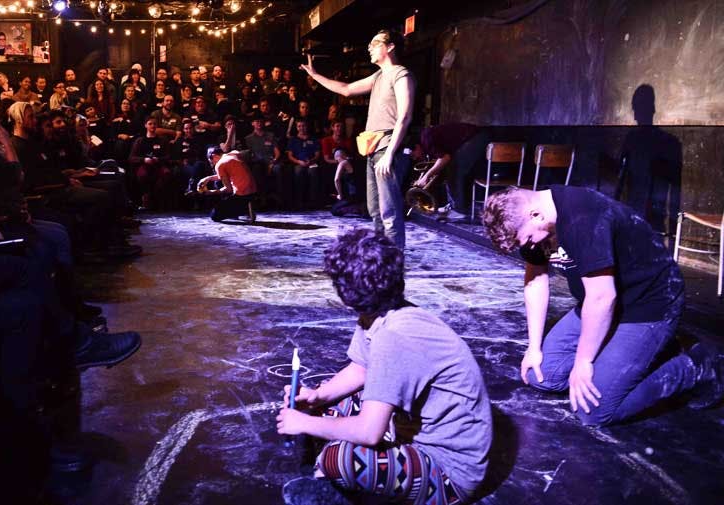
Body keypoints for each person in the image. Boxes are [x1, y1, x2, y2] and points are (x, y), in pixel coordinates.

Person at [277, 228, 492, 504]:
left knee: (337, 459)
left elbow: (369, 432)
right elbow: (361, 369)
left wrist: (304, 423)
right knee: (327, 403)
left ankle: (339, 487)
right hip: (416, 430)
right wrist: (317, 396)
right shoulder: (382, 312)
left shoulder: (395, 336)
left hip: (451, 472)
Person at [482, 186, 724, 425]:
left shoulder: (583, 217)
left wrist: (583, 363)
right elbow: (536, 281)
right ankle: (641, 353)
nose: (530, 246)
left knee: (593, 411)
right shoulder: (535, 225)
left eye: (528, 239)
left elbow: (602, 297)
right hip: (602, 304)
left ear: (535, 215)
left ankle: (697, 366)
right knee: (542, 375)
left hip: (649, 305)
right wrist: (534, 348)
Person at [301, 29, 415, 247]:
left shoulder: (401, 74)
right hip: (373, 150)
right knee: (375, 210)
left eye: (375, 43)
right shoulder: (378, 76)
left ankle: (394, 259)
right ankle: (382, 254)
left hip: (388, 148)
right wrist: (315, 76)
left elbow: (405, 116)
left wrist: (390, 153)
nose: (370, 47)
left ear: (390, 46)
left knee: (389, 211)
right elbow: (346, 89)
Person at [410, 122, 483, 218]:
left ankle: (458, 210)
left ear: (416, 147)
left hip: (476, 137)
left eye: (413, 155)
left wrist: (426, 177)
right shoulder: (424, 140)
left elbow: (445, 158)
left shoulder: (426, 140)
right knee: (450, 168)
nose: (415, 158)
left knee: (454, 169)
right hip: (473, 138)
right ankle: (454, 205)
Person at [202, 147, 257, 222]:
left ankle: (244, 209)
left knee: (214, 215)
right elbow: (224, 175)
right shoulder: (234, 153)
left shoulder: (220, 164)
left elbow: (228, 189)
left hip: (242, 195)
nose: (212, 164)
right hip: (253, 191)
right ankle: (244, 206)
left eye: (211, 161)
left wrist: (210, 192)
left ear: (214, 156)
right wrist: (208, 178)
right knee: (221, 182)